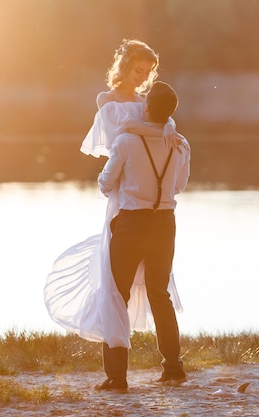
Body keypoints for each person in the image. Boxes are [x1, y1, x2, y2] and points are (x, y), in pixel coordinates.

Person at [44, 40, 186, 360]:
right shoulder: (106, 101)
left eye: (147, 73)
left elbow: (162, 120)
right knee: (115, 283)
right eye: (138, 70)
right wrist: (159, 128)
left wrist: (171, 125)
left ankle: (164, 361)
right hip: (124, 195)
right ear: (124, 67)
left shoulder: (144, 102)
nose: (142, 78)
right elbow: (121, 136)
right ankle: (121, 362)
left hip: (145, 193)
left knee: (154, 285)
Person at [95, 81, 190, 391]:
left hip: (132, 224)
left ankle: (117, 376)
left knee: (116, 294)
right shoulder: (181, 144)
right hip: (165, 222)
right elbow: (179, 185)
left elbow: (106, 184)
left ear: (146, 108)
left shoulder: (124, 142)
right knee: (159, 294)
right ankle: (173, 367)